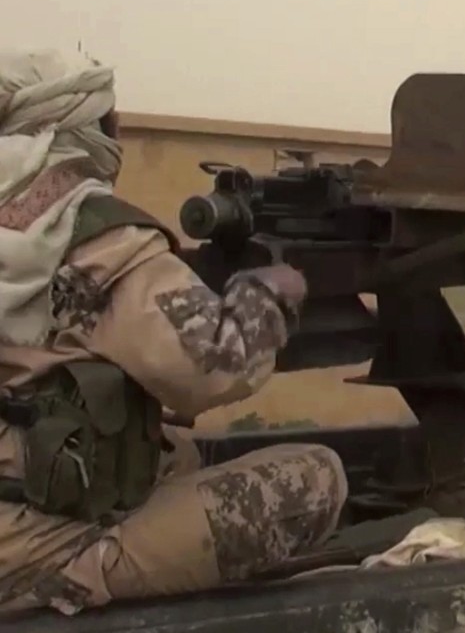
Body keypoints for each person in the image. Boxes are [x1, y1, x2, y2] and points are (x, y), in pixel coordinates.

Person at [0, 49, 348, 616]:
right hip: (21, 543)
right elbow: (212, 367)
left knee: (171, 455)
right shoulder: (91, 233)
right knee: (316, 480)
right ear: (87, 128)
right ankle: (71, 575)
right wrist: (266, 292)